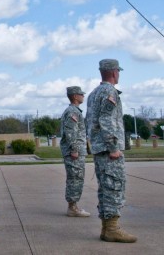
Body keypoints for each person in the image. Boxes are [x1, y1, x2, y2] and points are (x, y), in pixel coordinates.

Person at [86, 59, 137, 243]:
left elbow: (90, 121)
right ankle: (112, 229)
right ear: (115, 72)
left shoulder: (93, 94)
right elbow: (106, 119)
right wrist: (113, 147)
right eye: (118, 72)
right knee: (114, 187)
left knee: (106, 188)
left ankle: (107, 228)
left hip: (100, 147)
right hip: (108, 149)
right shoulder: (109, 92)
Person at [60, 86, 90, 217]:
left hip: (76, 151)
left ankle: (73, 206)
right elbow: (71, 132)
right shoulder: (73, 111)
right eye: (81, 94)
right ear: (75, 96)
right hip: (74, 152)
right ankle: (73, 208)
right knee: (75, 179)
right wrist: (74, 149)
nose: (83, 96)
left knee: (76, 178)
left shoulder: (74, 111)